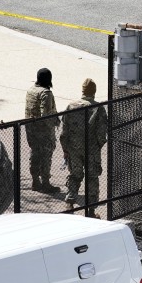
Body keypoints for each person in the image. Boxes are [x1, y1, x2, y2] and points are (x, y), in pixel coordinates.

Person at [60, 78, 109, 208]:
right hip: (91, 149)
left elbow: (64, 132)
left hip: (74, 149)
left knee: (75, 175)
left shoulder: (71, 106)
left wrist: (65, 149)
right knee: (92, 177)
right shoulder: (98, 108)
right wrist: (98, 145)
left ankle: (70, 201)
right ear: (94, 91)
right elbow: (101, 133)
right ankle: (91, 209)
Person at [23, 68, 58, 192]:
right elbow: (46, 115)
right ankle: (46, 183)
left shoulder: (31, 90)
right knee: (46, 156)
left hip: (31, 129)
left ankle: (35, 181)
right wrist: (53, 124)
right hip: (43, 131)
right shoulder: (46, 93)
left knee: (35, 153)